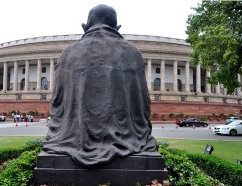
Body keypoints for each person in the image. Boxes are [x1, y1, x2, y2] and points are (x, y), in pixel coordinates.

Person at [43, 4, 157, 168]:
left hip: (70, 140)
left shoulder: (67, 54)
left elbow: (57, 101)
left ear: (85, 26)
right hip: (129, 141)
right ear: (117, 27)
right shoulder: (133, 53)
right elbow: (144, 103)